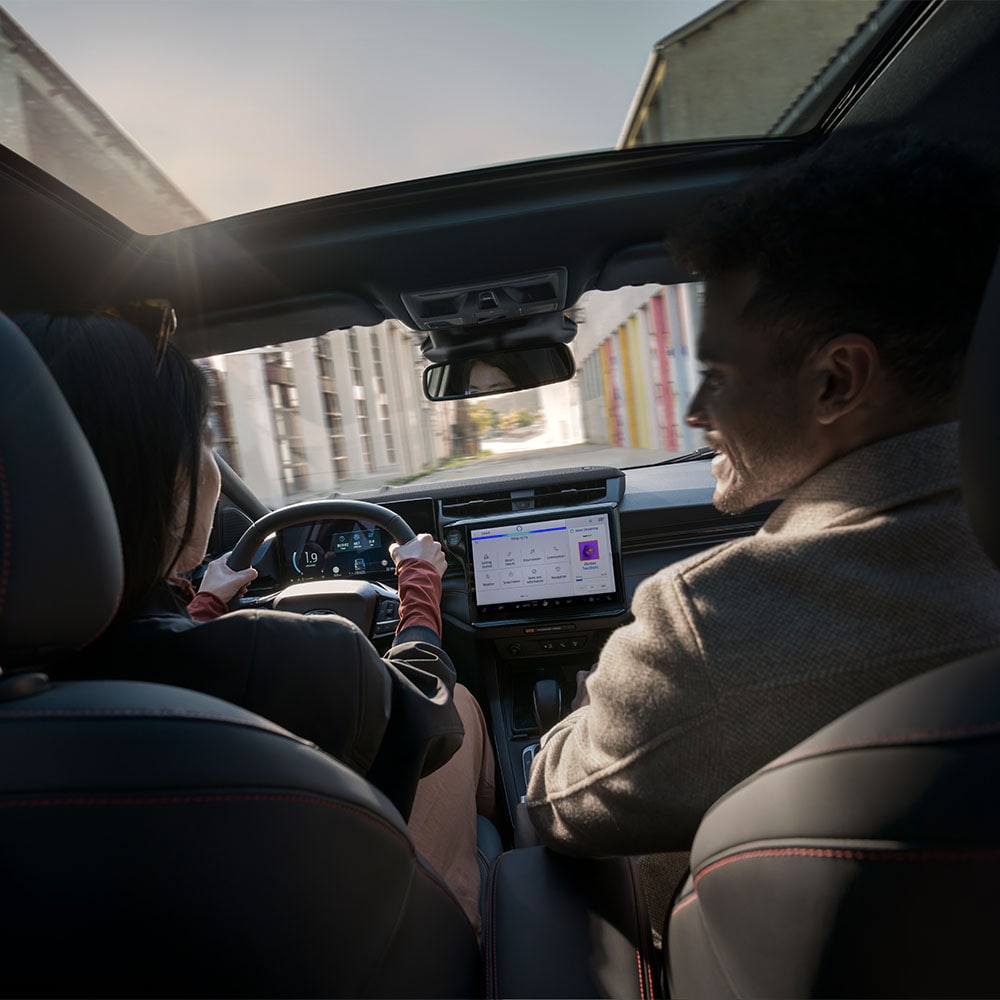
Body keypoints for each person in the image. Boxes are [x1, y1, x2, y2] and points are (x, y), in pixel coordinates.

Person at [525, 132, 1000, 875]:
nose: (692, 410)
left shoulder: (708, 628)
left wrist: (586, 705)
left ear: (836, 381)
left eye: (715, 372)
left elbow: (555, 805)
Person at [15, 309, 495, 937]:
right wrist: (419, 589)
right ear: (172, 485)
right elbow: (426, 713)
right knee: (460, 703)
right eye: (204, 438)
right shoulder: (288, 659)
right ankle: (492, 892)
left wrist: (202, 605)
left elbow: (136, 654)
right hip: (344, 941)